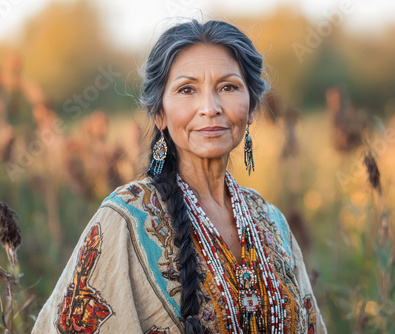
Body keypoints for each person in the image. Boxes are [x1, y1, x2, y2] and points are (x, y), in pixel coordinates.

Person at [32, 18, 327, 334]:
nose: (210, 107)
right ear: (159, 113)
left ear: (252, 107)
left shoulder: (273, 223)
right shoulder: (126, 219)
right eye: (187, 89)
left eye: (228, 87)